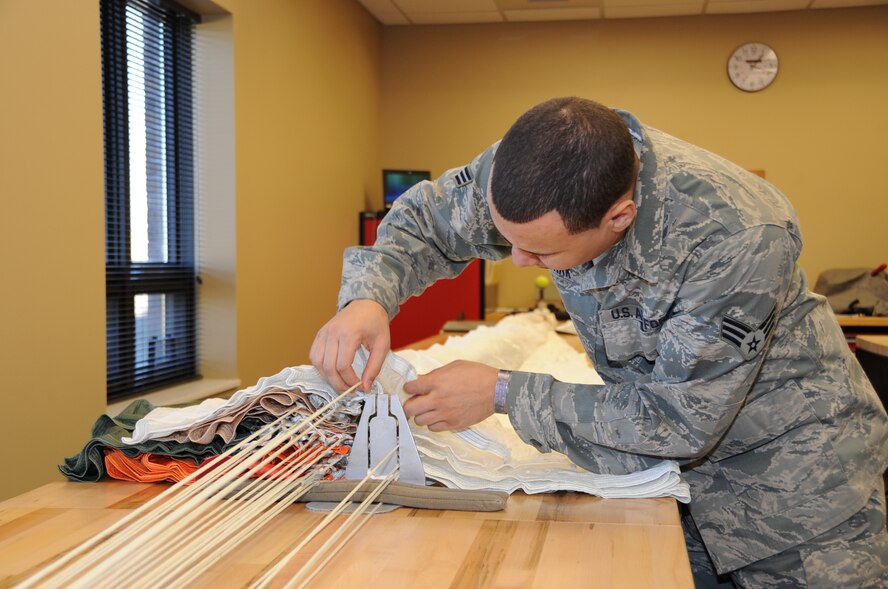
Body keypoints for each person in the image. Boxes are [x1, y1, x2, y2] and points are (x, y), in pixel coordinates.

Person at [311, 97, 888, 587]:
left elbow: (681, 419)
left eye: (540, 253)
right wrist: (369, 297)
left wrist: (505, 393)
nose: (517, 261)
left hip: (796, 496)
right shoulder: (535, 169)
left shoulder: (736, 237)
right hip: (670, 489)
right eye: (508, 239)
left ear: (620, 217)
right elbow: (427, 221)